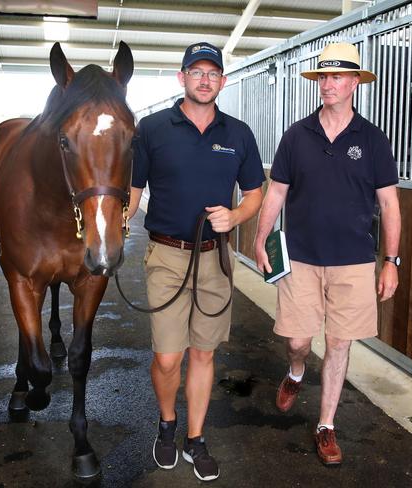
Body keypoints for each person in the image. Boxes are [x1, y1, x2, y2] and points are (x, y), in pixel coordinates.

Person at [253, 42, 401, 466]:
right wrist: (261, 239)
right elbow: (276, 192)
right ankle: (296, 372)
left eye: (337, 77)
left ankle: (326, 425)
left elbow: (389, 204)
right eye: (323, 77)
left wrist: (391, 261)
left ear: (355, 83)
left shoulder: (372, 140)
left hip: (354, 261)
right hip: (300, 258)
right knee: (298, 340)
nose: (328, 84)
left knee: (338, 341)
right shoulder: (296, 136)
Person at [128, 42, 265, 481]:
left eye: (212, 73)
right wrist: (106, 229)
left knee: (203, 354)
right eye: (196, 72)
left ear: (222, 81)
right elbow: (131, 194)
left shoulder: (239, 133)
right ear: (181, 78)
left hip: (214, 260)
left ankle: (195, 439)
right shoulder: (151, 129)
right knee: (169, 358)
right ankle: (166, 425)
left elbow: (255, 194)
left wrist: (237, 215)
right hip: (166, 257)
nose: (204, 80)